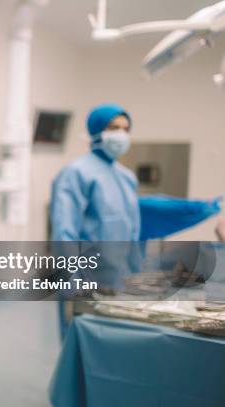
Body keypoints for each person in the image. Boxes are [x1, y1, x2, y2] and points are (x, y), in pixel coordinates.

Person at [50, 103, 220, 338]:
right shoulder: (76, 174)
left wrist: (137, 274)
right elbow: (64, 234)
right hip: (88, 280)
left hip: (122, 279)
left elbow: (133, 228)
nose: (121, 134)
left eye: (125, 128)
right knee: (81, 346)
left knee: (113, 345)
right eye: (114, 127)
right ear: (96, 129)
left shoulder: (126, 177)